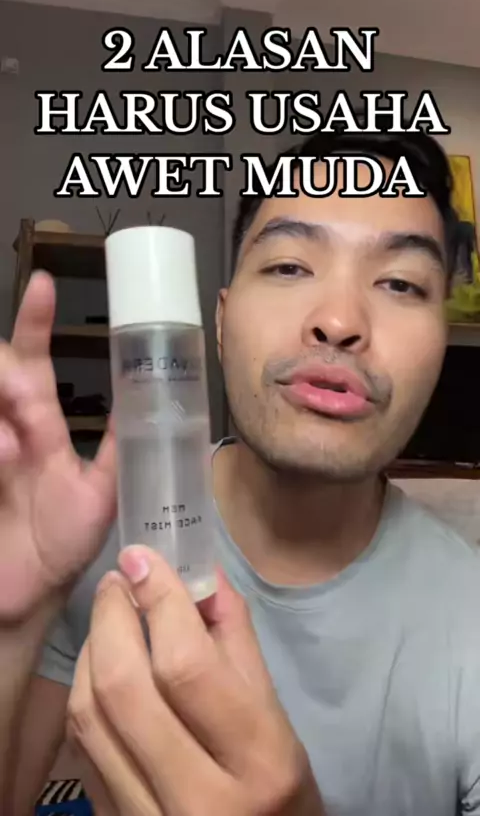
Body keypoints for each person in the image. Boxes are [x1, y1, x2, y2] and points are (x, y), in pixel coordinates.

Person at [2, 122, 480, 816]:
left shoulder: (467, 619)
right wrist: (15, 625)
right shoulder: (104, 538)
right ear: (220, 323)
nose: (338, 320)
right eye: (289, 266)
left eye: (401, 282)